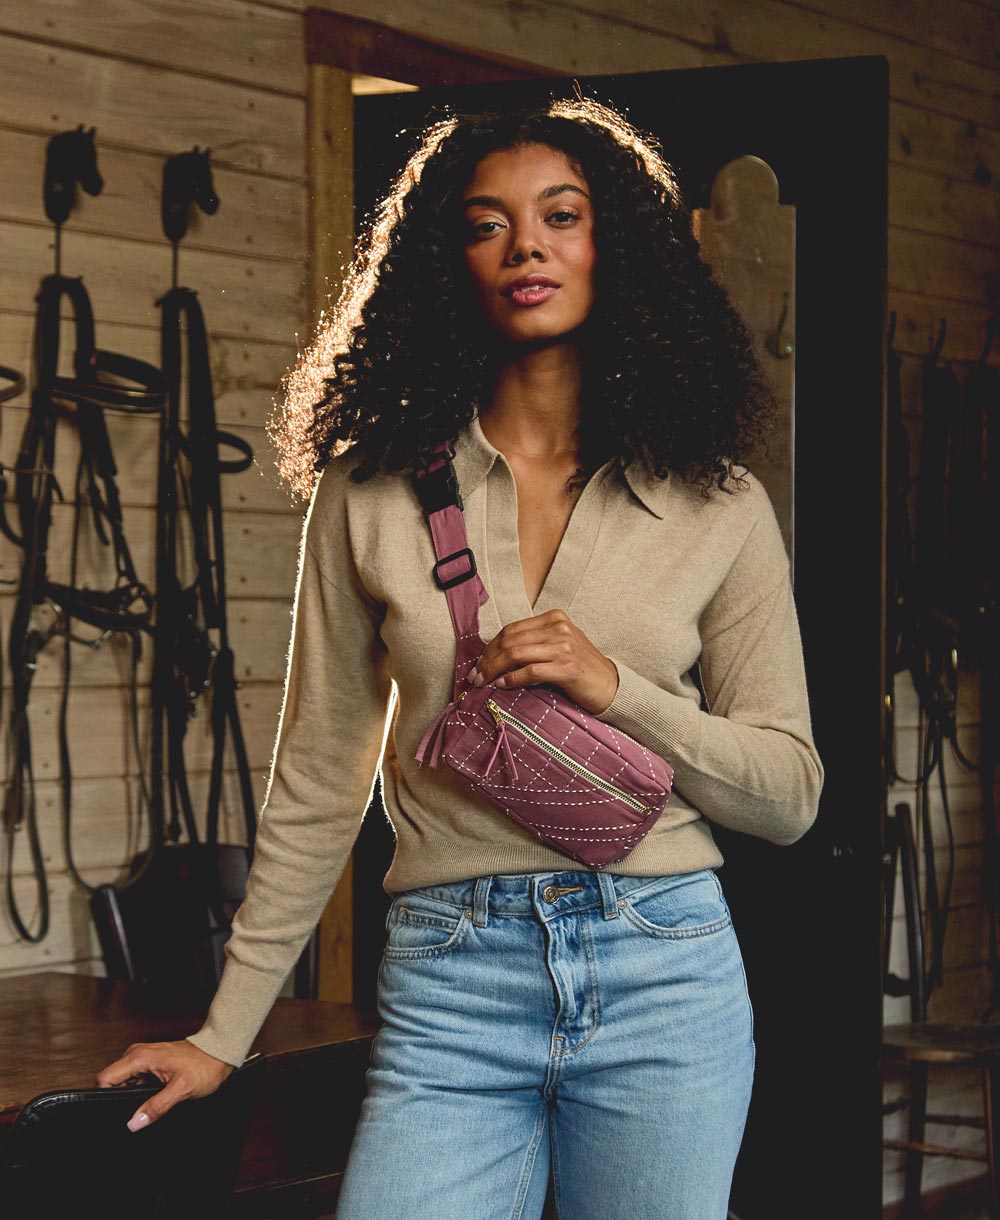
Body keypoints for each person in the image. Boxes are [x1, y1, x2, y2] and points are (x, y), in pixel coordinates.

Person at [96, 95, 824, 1218]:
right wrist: (223, 1033)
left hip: (662, 970)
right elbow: (317, 773)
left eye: (561, 215)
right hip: (451, 976)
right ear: (451, 265)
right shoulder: (368, 489)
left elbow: (786, 796)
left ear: (612, 246)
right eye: (486, 224)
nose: (525, 244)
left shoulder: (719, 505)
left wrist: (617, 691)